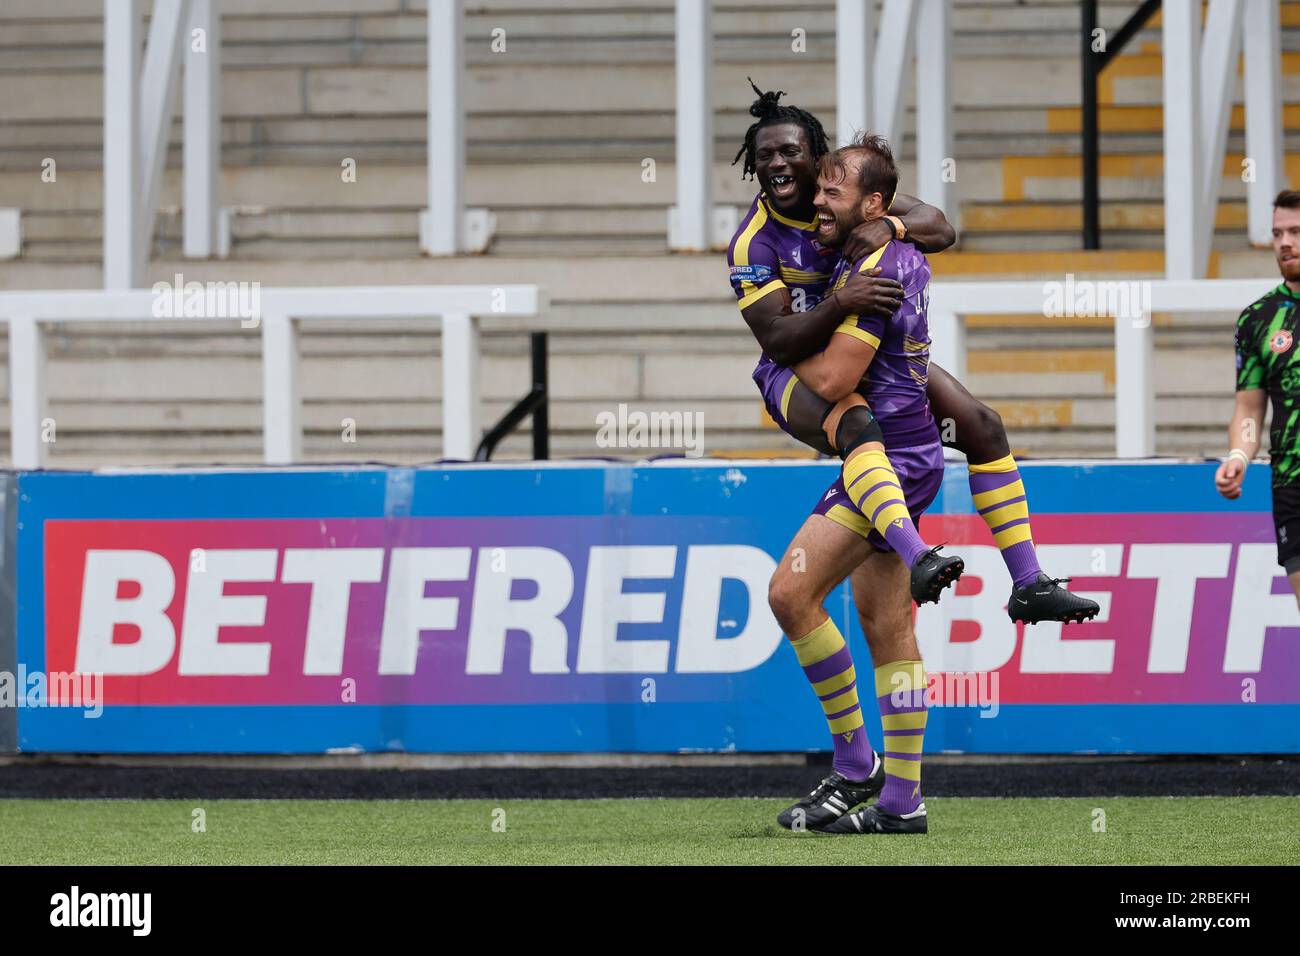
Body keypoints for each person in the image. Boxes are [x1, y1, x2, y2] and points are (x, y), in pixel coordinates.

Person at [727, 81, 1099, 625]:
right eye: (765, 157)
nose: (778, 164)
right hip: (795, 368)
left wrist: (891, 225)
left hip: (863, 350)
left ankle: (1028, 582)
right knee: (857, 427)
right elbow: (776, 339)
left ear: (818, 159)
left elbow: (941, 228)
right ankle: (916, 553)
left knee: (981, 425)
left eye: (790, 152)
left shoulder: (844, 192)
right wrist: (840, 303)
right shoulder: (753, 242)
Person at [766, 135, 943, 833]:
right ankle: (903, 803)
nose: (817, 200)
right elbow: (938, 225)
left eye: (832, 191)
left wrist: (776, 359)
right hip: (909, 450)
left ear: (873, 202)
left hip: (887, 459)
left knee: (790, 592)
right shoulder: (888, 248)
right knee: (888, 629)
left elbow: (836, 381)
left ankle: (855, 762)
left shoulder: (878, 264)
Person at [1215, 189, 1300, 605]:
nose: (1286, 242)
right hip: (1292, 483)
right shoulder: (1257, 319)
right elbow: (1249, 409)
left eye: (1297, 231)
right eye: (1278, 233)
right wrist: (1239, 455)